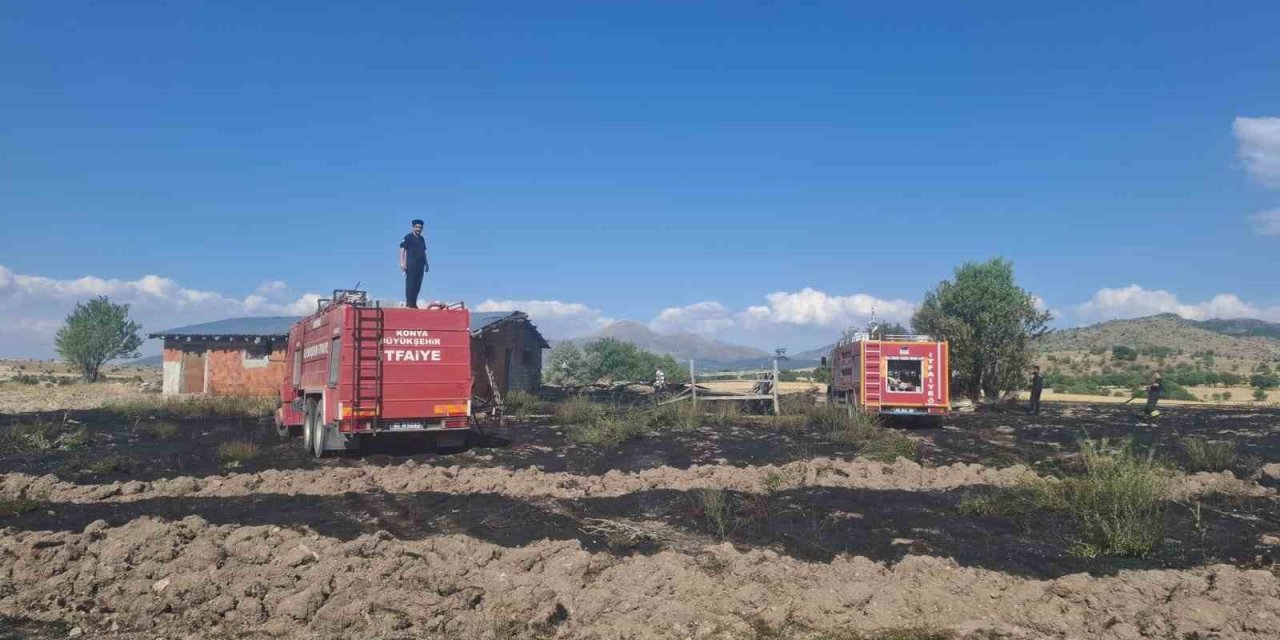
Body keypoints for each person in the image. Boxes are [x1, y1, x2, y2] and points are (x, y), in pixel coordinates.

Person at [398, 219, 428, 308]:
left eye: (420, 227)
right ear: (413, 227)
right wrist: (402, 262)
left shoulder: (422, 239)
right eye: (417, 227)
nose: (419, 229)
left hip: (420, 265)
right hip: (411, 265)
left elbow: (424, 252)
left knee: (418, 285)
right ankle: (409, 304)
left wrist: (426, 263)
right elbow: (402, 249)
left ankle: (413, 304)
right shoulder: (408, 237)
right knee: (410, 284)